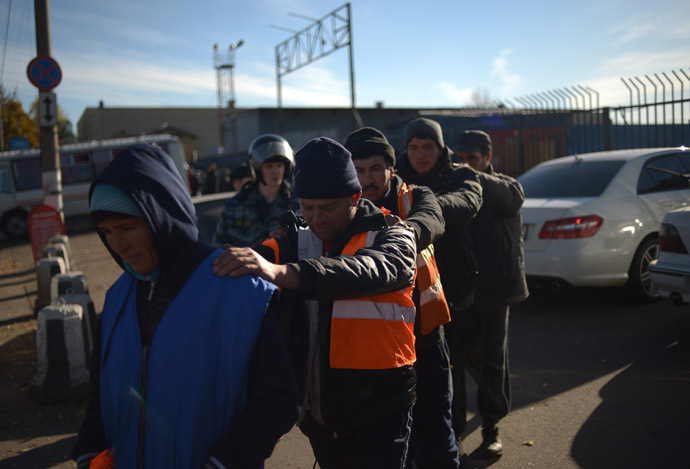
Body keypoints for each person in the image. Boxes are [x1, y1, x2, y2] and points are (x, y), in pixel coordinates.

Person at [71, 143, 299, 469]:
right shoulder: (117, 297)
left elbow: (277, 402)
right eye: (106, 231)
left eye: (127, 227)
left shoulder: (239, 291)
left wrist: (223, 463)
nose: (117, 244)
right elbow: (100, 392)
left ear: (162, 215)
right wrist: (88, 454)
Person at [212, 137, 419, 469]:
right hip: (320, 415)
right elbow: (252, 260)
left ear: (356, 196)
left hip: (381, 411)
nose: (317, 218)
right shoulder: (295, 238)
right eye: (307, 207)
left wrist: (285, 272)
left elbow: (369, 269)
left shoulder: (392, 234)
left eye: (328, 207)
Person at [344, 127, 459, 468]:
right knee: (391, 443)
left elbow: (432, 219)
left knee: (438, 431)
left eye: (376, 168)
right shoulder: (341, 207)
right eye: (359, 170)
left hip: (425, 339)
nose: (368, 179)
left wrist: (402, 235)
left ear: (392, 169)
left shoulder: (415, 197)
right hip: (375, 350)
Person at [395, 117, 482, 463]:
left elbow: (469, 200)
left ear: (440, 148)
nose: (420, 154)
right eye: (414, 147)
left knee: (450, 371)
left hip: (454, 291)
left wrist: (424, 209)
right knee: (409, 377)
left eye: (427, 146)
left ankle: (455, 438)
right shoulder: (394, 175)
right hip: (406, 296)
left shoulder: (460, 173)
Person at [452, 130, 529, 459]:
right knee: (456, 360)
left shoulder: (505, 186)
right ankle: (451, 431)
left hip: (497, 289)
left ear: (487, 158)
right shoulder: (453, 185)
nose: (466, 165)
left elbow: (512, 200)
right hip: (461, 289)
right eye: (461, 158)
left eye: (473, 159)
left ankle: (491, 426)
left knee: (494, 359)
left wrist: (471, 177)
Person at [213, 133, 300, 249]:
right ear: (257, 169)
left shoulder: (296, 204)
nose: (275, 171)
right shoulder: (235, 205)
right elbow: (219, 243)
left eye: (279, 165)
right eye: (269, 166)